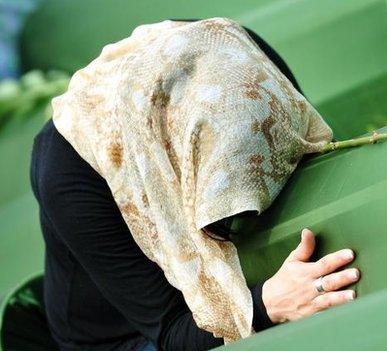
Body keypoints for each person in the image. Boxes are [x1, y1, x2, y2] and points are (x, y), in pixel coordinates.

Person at [30, 19, 360, 351]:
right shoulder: (68, 176)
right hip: (135, 334)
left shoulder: (245, 55)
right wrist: (267, 305)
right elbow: (171, 331)